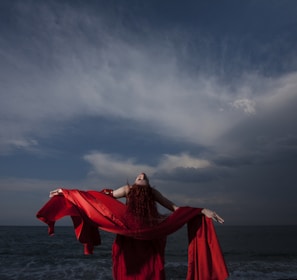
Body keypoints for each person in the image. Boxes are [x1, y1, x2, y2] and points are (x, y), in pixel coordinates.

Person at [48, 172, 225, 279]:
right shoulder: (128, 190)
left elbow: (175, 208)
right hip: (128, 237)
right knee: (127, 272)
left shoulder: (153, 192)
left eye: (145, 176)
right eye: (139, 176)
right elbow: (96, 200)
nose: (142, 176)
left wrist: (202, 211)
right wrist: (67, 193)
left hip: (150, 237)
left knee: (154, 272)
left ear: (148, 183)